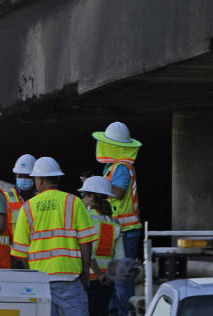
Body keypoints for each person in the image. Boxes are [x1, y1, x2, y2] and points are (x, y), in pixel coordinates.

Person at [11, 156, 98, 316]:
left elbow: (21, 250)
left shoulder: (28, 208)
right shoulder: (73, 202)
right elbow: (86, 241)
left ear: (41, 181)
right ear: (57, 177)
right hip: (69, 277)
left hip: (41, 280)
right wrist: (85, 271)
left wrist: (32, 275)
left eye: (35, 178)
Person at [93, 122, 141, 314]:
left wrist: (98, 188)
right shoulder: (113, 167)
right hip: (119, 229)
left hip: (126, 230)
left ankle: (124, 313)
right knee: (115, 277)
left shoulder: (121, 167)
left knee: (121, 279)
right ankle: (115, 311)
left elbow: (118, 192)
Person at [78, 176, 123, 316]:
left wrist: (99, 274)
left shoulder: (86, 219)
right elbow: (120, 257)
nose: (82, 199)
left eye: (83, 195)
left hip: (88, 279)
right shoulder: (115, 223)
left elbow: (86, 251)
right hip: (108, 282)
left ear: (91, 197)